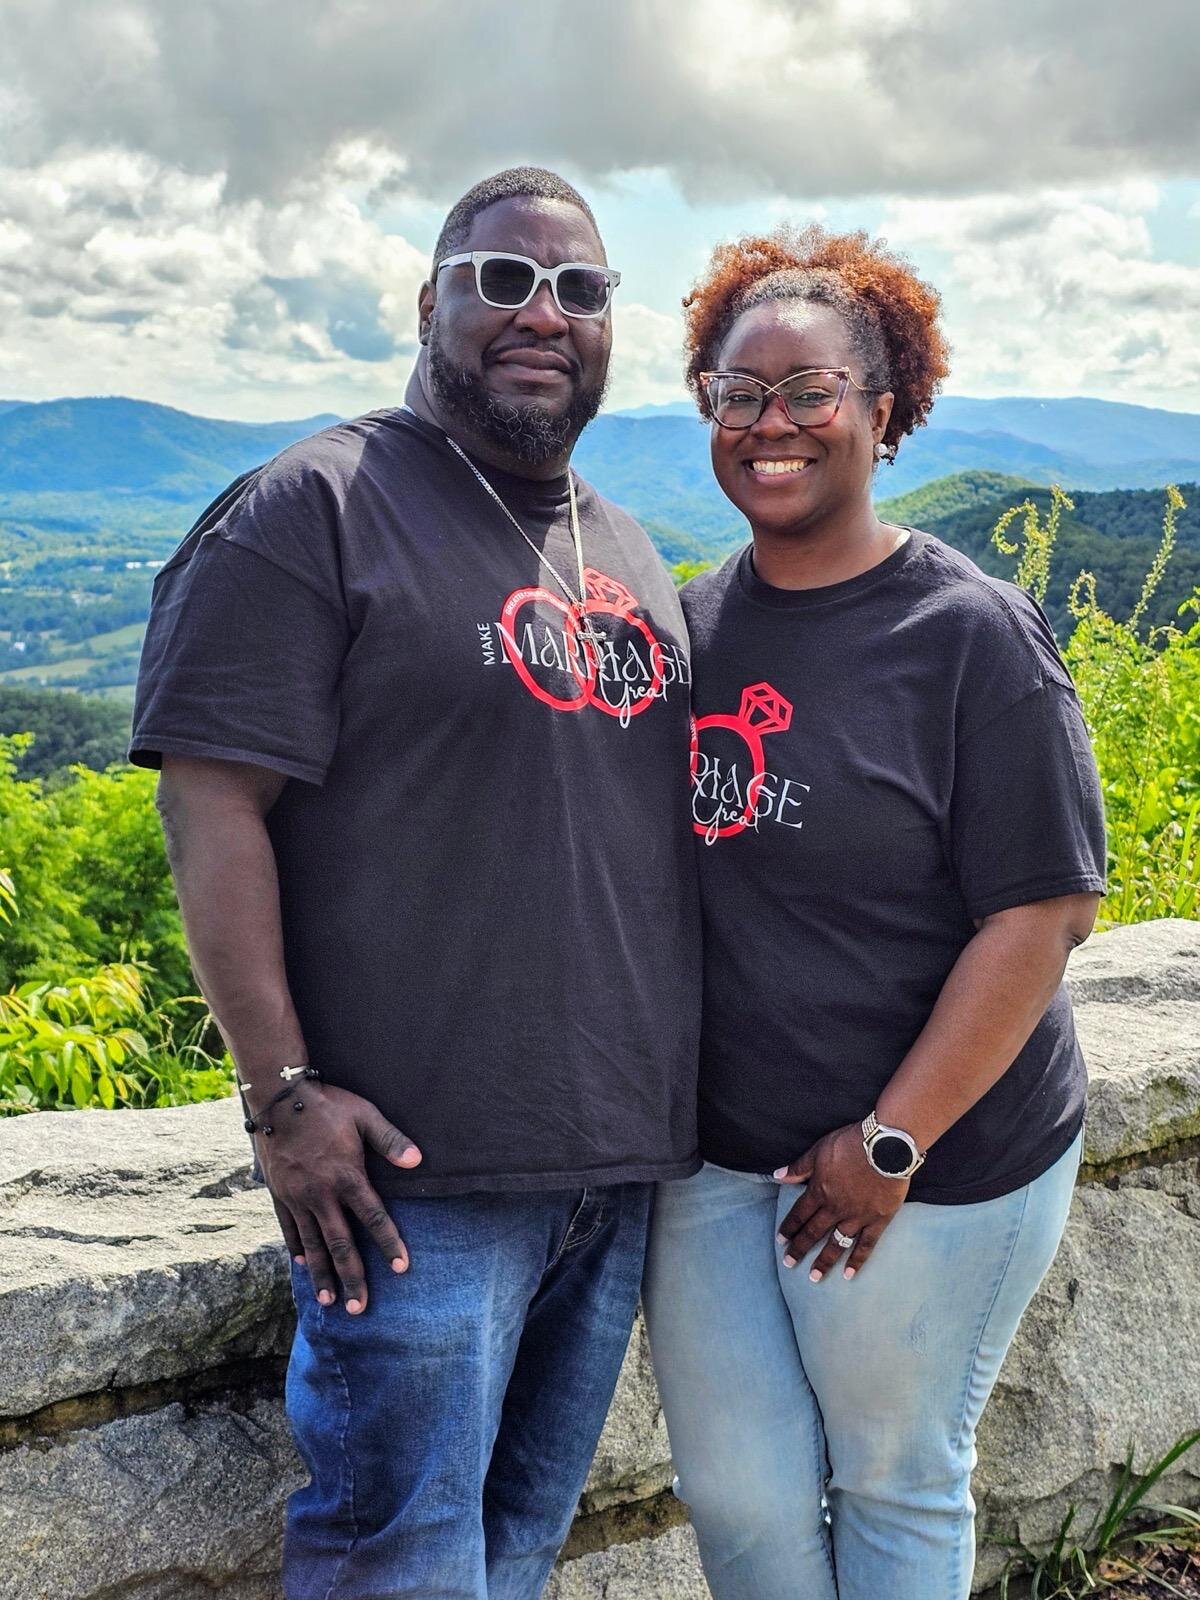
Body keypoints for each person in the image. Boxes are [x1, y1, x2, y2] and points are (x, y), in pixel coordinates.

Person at [128, 167, 701, 1599]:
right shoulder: (310, 508)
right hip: (410, 1178)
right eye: (500, 279)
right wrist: (279, 1095)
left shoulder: (622, 540)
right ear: (429, 301)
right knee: (400, 1564)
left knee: (514, 1555)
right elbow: (211, 806)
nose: (541, 314)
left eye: (578, 288)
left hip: (613, 1161)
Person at [642, 226, 1107, 1600]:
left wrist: (891, 1141)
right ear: (708, 409)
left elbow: (1042, 914)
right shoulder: (689, 627)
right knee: (737, 1495)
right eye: (740, 391)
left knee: (895, 1480)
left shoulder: (969, 635)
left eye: (813, 390)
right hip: (724, 1158)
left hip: (933, 1164)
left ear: (886, 407)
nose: (772, 423)